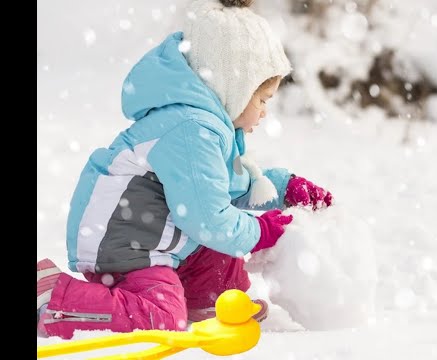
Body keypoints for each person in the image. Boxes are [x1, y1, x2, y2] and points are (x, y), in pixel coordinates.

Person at [37, 0, 333, 339]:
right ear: (232, 88)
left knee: (224, 247)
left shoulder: (209, 127)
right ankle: (54, 296)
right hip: (125, 245)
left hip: (156, 239)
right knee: (163, 317)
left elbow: (232, 188)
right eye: (262, 99)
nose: (265, 113)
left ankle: (208, 301)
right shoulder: (192, 129)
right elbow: (210, 218)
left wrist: (282, 188)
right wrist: (261, 231)